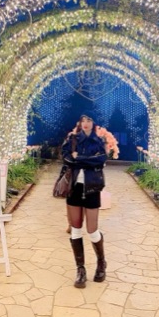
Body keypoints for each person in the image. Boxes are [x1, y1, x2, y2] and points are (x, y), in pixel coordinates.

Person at [62, 111, 108, 288]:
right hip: (74, 187)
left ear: (94, 122)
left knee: (92, 230)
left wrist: (79, 159)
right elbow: (66, 159)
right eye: (83, 120)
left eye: (89, 120)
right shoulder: (72, 139)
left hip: (92, 188)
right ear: (80, 122)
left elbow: (101, 160)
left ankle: (101, 262)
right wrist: (88, 160)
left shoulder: (99, 140)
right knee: (75, 229)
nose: (86, 123)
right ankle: (80, 270)